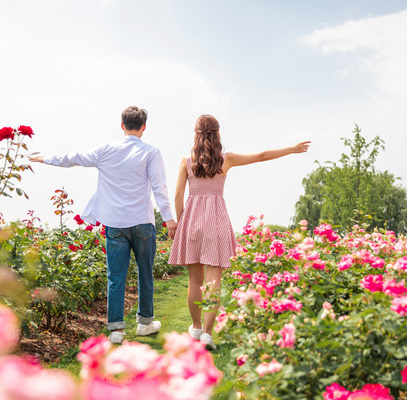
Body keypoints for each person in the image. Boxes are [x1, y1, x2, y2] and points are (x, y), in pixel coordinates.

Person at [29, 106, 177, 344]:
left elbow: (72, 158)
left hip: (115, 224)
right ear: (144, 126)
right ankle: (145, 324)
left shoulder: (106, 151)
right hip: (142, 222)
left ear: (122, 125)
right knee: (145, 274)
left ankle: (116, 331)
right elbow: (160, 188)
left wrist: (44, 158)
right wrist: (169, 218)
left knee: (115, 277)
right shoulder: (151, 152)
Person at [168, 114, 310, 349]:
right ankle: (207, 334)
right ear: (217, 133)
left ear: (196, 133)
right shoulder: (226, 159)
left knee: (195, 280)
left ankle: (195, 328)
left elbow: (177, 195)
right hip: (216, 220)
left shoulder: (186, 161)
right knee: (213, 281)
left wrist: (181, 221)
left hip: (191, 220)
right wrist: (291, 149)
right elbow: (262, 156)